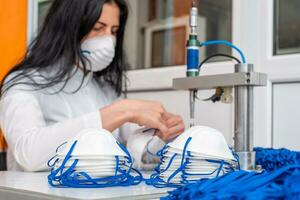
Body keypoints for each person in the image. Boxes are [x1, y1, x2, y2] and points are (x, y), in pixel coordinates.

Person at [0, 0, 184, 172]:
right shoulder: (23, 83)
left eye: (113, 31)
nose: (108, 41)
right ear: (68, 27)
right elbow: (28, 154)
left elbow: (138, 153)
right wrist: (119, 112)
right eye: (98, 28)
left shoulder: (104, 88)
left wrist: (160, 136)